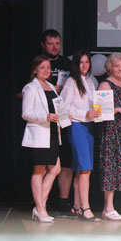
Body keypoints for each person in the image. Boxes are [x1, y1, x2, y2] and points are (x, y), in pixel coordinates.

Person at [21, 55, 62, 222]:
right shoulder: (30, 88)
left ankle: (40, 206)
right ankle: (40, 208)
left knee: (55, 169)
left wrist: (64, 115)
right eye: (42, 67)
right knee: (39, 171)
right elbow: (26, 113)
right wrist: (46, 116)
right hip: (39, 134)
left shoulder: (51, 86)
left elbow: (57, 107)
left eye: (48, 67)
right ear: (35, 70)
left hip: (52, 133)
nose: (46, 70)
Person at [61, 50, 100, 222]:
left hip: (89, 126)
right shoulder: (71, 81)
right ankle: (86, 208)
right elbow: (64, 107)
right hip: (76, 126)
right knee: (85, 168)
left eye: (87, 62)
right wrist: (85, 114)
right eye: (81, 62)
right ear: (76, 64)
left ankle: (77, 206)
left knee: (81, 169)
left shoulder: (89, 81)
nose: (85, 65)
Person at [40, 29, 74, 217]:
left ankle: (63, 201)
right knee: (45, 164)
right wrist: (48, 89)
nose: (54, 47)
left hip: (64, 118)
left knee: (66, 162)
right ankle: (42, 201)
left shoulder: (67, 63)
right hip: (44, 121)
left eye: (57, 44)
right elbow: (21, 92)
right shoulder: (37, 63)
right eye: (50, 44)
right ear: (43, 45)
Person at [97, 53, 121, 221]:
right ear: (110, 67)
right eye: (116, 66)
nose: (120, 68)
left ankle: (110, 207)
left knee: (118, 168)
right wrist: (118, 109)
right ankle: (108, 208)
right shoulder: (105, 84)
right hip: (110, 131)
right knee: (109, 168)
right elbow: (99, 111)